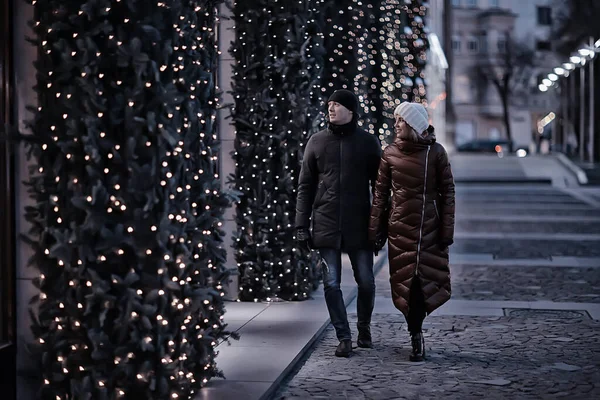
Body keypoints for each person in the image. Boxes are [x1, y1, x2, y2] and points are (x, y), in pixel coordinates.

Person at [295, 89, 382, 357]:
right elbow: (305, 185)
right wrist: (301, 225)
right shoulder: (317, 142)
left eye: (337, 104)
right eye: (329, 104)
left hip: (360, 223)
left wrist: (379, 226)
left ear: (352, 110)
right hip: (325, 221)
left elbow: (380, 187)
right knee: (331, 284)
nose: (331, 108)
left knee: (366, 281)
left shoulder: (368, 143)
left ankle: (364, 327)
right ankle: (343, 336)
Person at [369, 102, 455, 362]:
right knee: (404, 283)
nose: (395, 125)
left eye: (400, 121)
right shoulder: (389, 153)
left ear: (413, 125)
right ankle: (414, 331)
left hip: (430, 227)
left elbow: (448, 193)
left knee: (423, 283)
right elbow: (380, 195)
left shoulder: (436, 153)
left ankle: (416, 333)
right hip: (399, 229)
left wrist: (446, 231)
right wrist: (375, 232)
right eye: (396, 120)